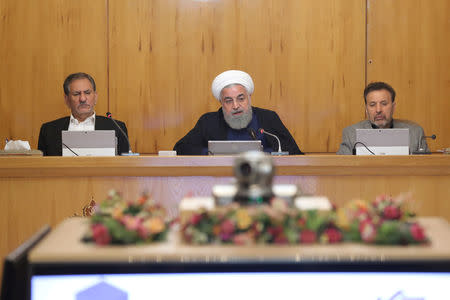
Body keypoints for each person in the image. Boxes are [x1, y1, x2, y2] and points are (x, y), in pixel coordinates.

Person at [174, 70, 302, 155]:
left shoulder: (268, 118)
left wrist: (264, 155)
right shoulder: (209, 122)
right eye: (228, 101)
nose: (236, 106)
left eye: (241, 99)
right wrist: (212, 154)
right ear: (221, 103)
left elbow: (294, 153)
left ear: (249, 97)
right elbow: (180, 149)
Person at [38, 72, 129, 156]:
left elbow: (125, 166)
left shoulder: (117, 127)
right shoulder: (48, 130)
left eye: (87, 93)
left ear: (95, 97)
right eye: (76, 94)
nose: (82, 99)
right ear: (67, 100)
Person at [337, 81, 429, 154]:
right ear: (366, 109)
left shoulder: (415, 133)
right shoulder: (351, 134)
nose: (378, 110)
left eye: (384, 104)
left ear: (393, 107)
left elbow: (428, 170)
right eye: (372, 105)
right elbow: (340, 170)